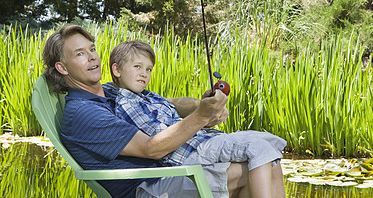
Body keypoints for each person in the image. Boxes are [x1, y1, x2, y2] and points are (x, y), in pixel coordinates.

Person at [41, 24, 284, 198]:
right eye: (80, 54)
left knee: (268, 160)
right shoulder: (84, 113)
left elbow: (172, 103)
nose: (92, 57)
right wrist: (200, 118)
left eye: (92, 49)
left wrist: (203, 105)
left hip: (170, 173)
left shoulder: (110, 91)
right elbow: (152, 148)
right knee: (260, 161)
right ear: (62, 67)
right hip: (149, 188)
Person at [107, 40, 286, 198]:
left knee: (271, 156)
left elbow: (177, 108)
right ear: (117, 70)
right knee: (259, 147)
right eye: (137, 67)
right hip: (191, 152)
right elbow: (160, 136)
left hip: (204, 142)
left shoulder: (151, 97)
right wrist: (200, 117)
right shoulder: (127, 103)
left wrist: (206, 105)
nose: (144, 73)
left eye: (148, 69)